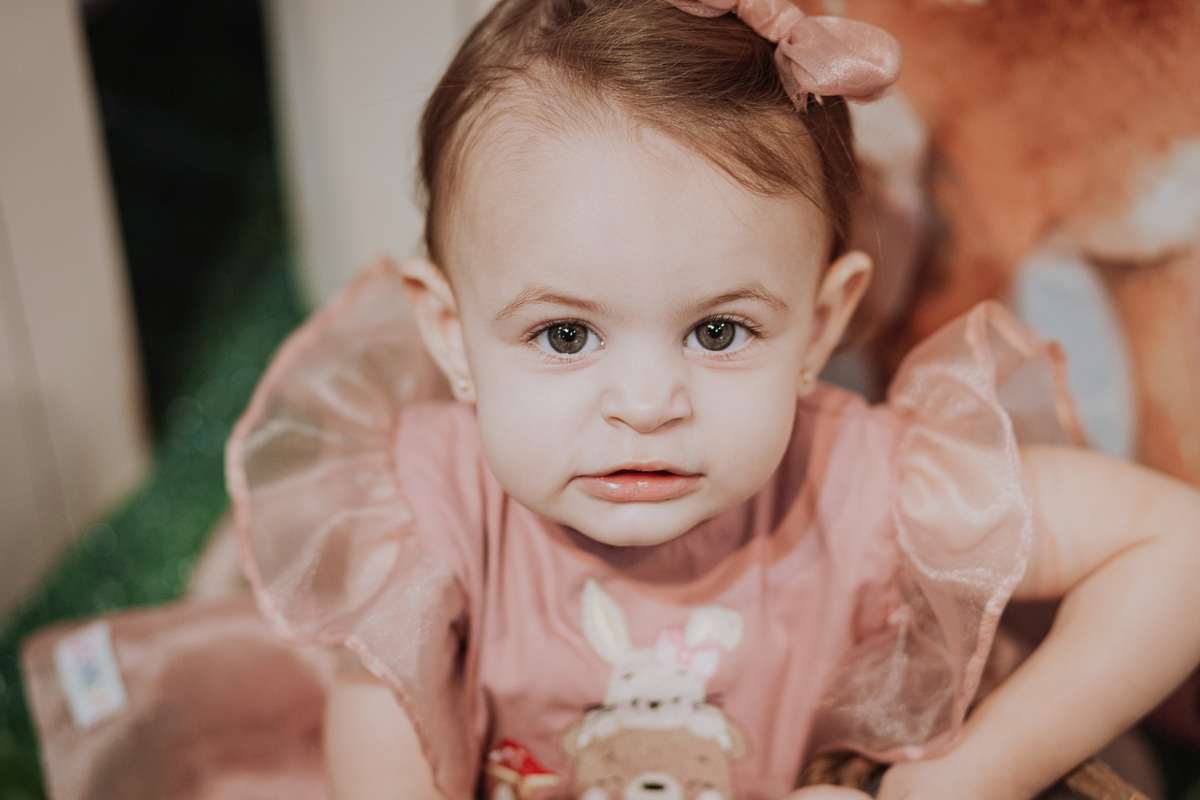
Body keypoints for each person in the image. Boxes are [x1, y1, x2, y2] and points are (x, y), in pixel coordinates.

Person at [224, 1, 1200, 798]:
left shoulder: (859, 486)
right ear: (450, 333)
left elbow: (1179, 545)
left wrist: (950, 784)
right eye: (565, 335)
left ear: (819, 327)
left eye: (719, 331)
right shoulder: (428, 512)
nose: (648, 403)